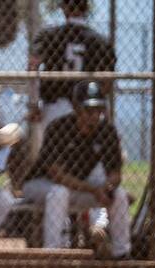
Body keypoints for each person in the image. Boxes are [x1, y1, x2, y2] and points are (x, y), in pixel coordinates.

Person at [21, 81, 131, 258]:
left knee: (119, 194)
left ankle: (122, 253)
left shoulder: (106, 130)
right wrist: (94, 190)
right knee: (59, 192)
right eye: (89, 110)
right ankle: (52, 254)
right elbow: (57, 175)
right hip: (40, 184)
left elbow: (115, 173)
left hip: (79, 188)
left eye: (98, 109)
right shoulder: (59, 128)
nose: (94, 115)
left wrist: (107, 188)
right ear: (76, 107)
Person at [27, 0, 116, 162]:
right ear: (86, 8)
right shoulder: (101, 41)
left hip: (54, 106)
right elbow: (107, 82)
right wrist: (100, 108)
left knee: (52, 159)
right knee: (83, 158)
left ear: (64, 9)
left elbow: (33, 65)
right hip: (87, 109)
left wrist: (34, 104)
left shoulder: (48, 35)